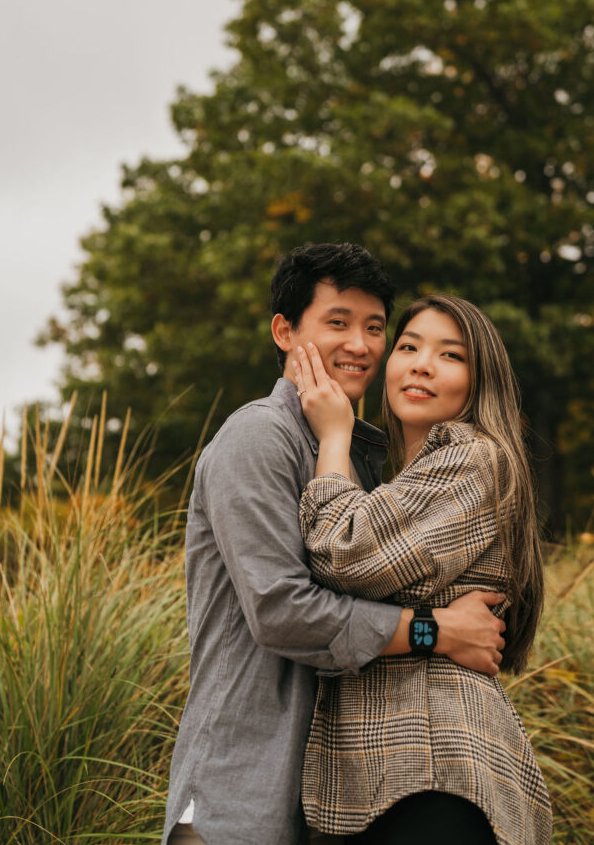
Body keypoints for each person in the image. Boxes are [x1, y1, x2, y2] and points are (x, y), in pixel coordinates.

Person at [162, 246, 509, 845]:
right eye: (338, 322)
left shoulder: (364, 453)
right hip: (237, 796)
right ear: (285, 330)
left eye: (375, 328)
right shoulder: (258, 436)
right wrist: (436, 630)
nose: (360, 344)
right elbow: (283, 611)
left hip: (330, 801)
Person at [294, 294, 552, 845]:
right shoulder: (409, 479)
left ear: (480, 383)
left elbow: (345, 553)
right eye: (408, 346)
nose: (421, 364)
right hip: (396, 776)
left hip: (432, 770)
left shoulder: (472, 456)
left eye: (450, 355)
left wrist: (336, 435)